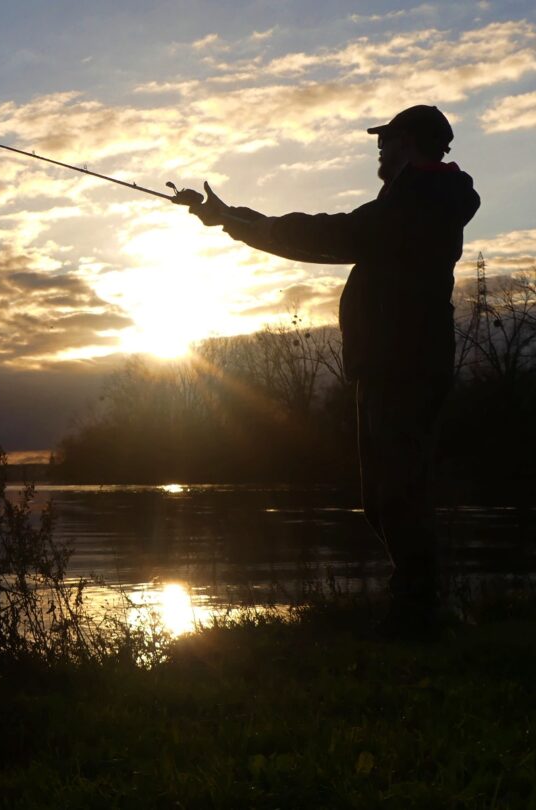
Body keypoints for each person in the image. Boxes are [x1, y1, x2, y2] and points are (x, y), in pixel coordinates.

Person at [189, 105, 480, 637]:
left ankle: (419, 612)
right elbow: (338, 235)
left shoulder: (421, 200)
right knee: (384, 497)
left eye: (387, 139)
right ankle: (422, 605)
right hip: (390, 364)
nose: (379, 148)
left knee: (398, 493)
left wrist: (236, 223)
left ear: (409, 142)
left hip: (405, 365)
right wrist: (234, 219)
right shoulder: (414, 198)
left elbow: (334, 235)